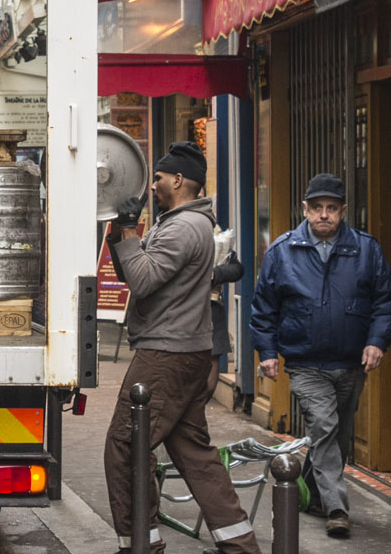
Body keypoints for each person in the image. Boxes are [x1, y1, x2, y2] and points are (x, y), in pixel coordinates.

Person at [104, 141, 260, 554]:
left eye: (157, 177)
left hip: (166, 355)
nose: (152, 184)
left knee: (125, 445)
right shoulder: (179, 222)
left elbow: (142, 280)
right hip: (184, 351)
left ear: (177, 180)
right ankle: (239, 543)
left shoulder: (184, 227)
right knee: (193, 451)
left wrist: (129, 233)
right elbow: (131, 271)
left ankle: (141, 544)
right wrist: (120, 230)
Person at [248, 173, 391, 539]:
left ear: (343, 211)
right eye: (317, 208)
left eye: (332, 208)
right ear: (305, 209)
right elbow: (263, 307)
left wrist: (377, 342)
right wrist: (267, 353)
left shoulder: (366, 249)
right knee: (326, 427)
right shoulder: (284, 251)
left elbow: (386, 300)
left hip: (350, 363)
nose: (324, 215)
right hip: (304, 362)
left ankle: (313, 493)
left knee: (337, 436)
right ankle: (337, 508)